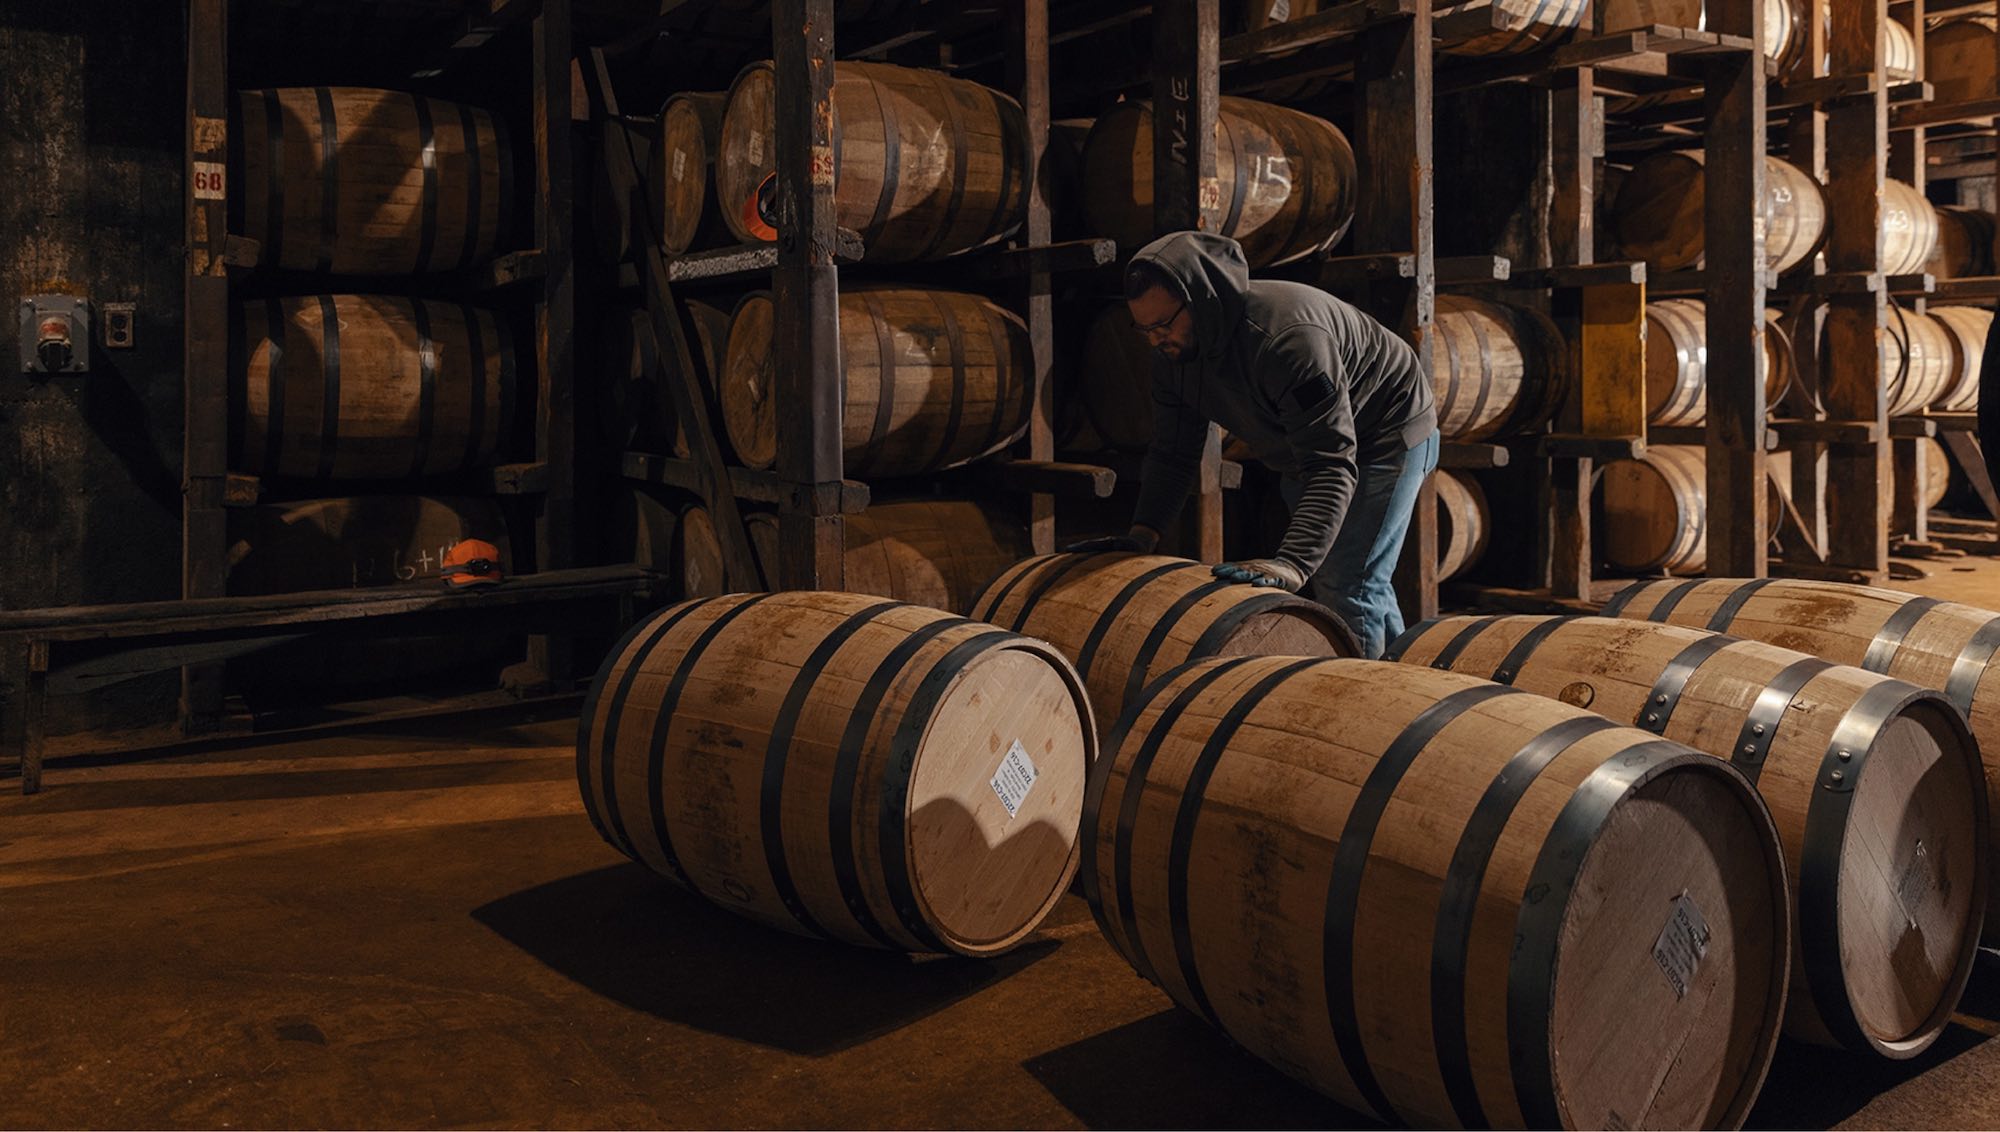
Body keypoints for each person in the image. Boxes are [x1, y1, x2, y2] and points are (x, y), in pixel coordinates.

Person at [1067, 231, 1439, 658]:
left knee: (1348, 579)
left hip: (1387, 430)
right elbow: (1173, 451)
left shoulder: (1287, 340)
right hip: (1306, 449)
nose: (1154, 339)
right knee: (1351, 577)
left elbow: (1330, 462)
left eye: (1164, 324)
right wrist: (1143, 533)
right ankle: (1399, 677)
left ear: (1204, 302)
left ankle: (1374, 712)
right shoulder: (1173, 356)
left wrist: (1294, 562)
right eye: (1144, 328)